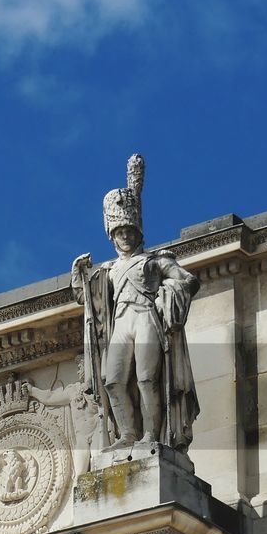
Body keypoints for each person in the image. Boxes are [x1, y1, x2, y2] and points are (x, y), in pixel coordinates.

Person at [73, 154, 199, 452]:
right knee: (112, 380)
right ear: (112, 236)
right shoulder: (107, 270)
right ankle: (127, 433)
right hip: (122, 322)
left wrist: (167, 297)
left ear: (137, 232)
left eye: (129, 231)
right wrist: (78, 275)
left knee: (146, 379)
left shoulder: (155, 261)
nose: (125, 237)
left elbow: (188, 280)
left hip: (146, 318)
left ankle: (151, 437)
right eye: (119, 233)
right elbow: (86, 299)